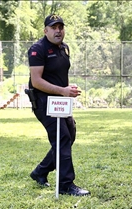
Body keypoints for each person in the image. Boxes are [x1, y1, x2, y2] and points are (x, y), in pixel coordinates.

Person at [27, 14, 90, 196]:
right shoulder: (37, 49)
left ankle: (40, 172)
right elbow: (37, 81)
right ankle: (65, 185)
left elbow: (59, 75)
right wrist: (62, 90)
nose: (58, 31)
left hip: (60, 101)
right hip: (42, 101)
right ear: (45, 30)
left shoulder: (64, 48)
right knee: (62, 138)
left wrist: (67, 89)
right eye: (54, 27)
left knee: (69, 134)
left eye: (60, 27)